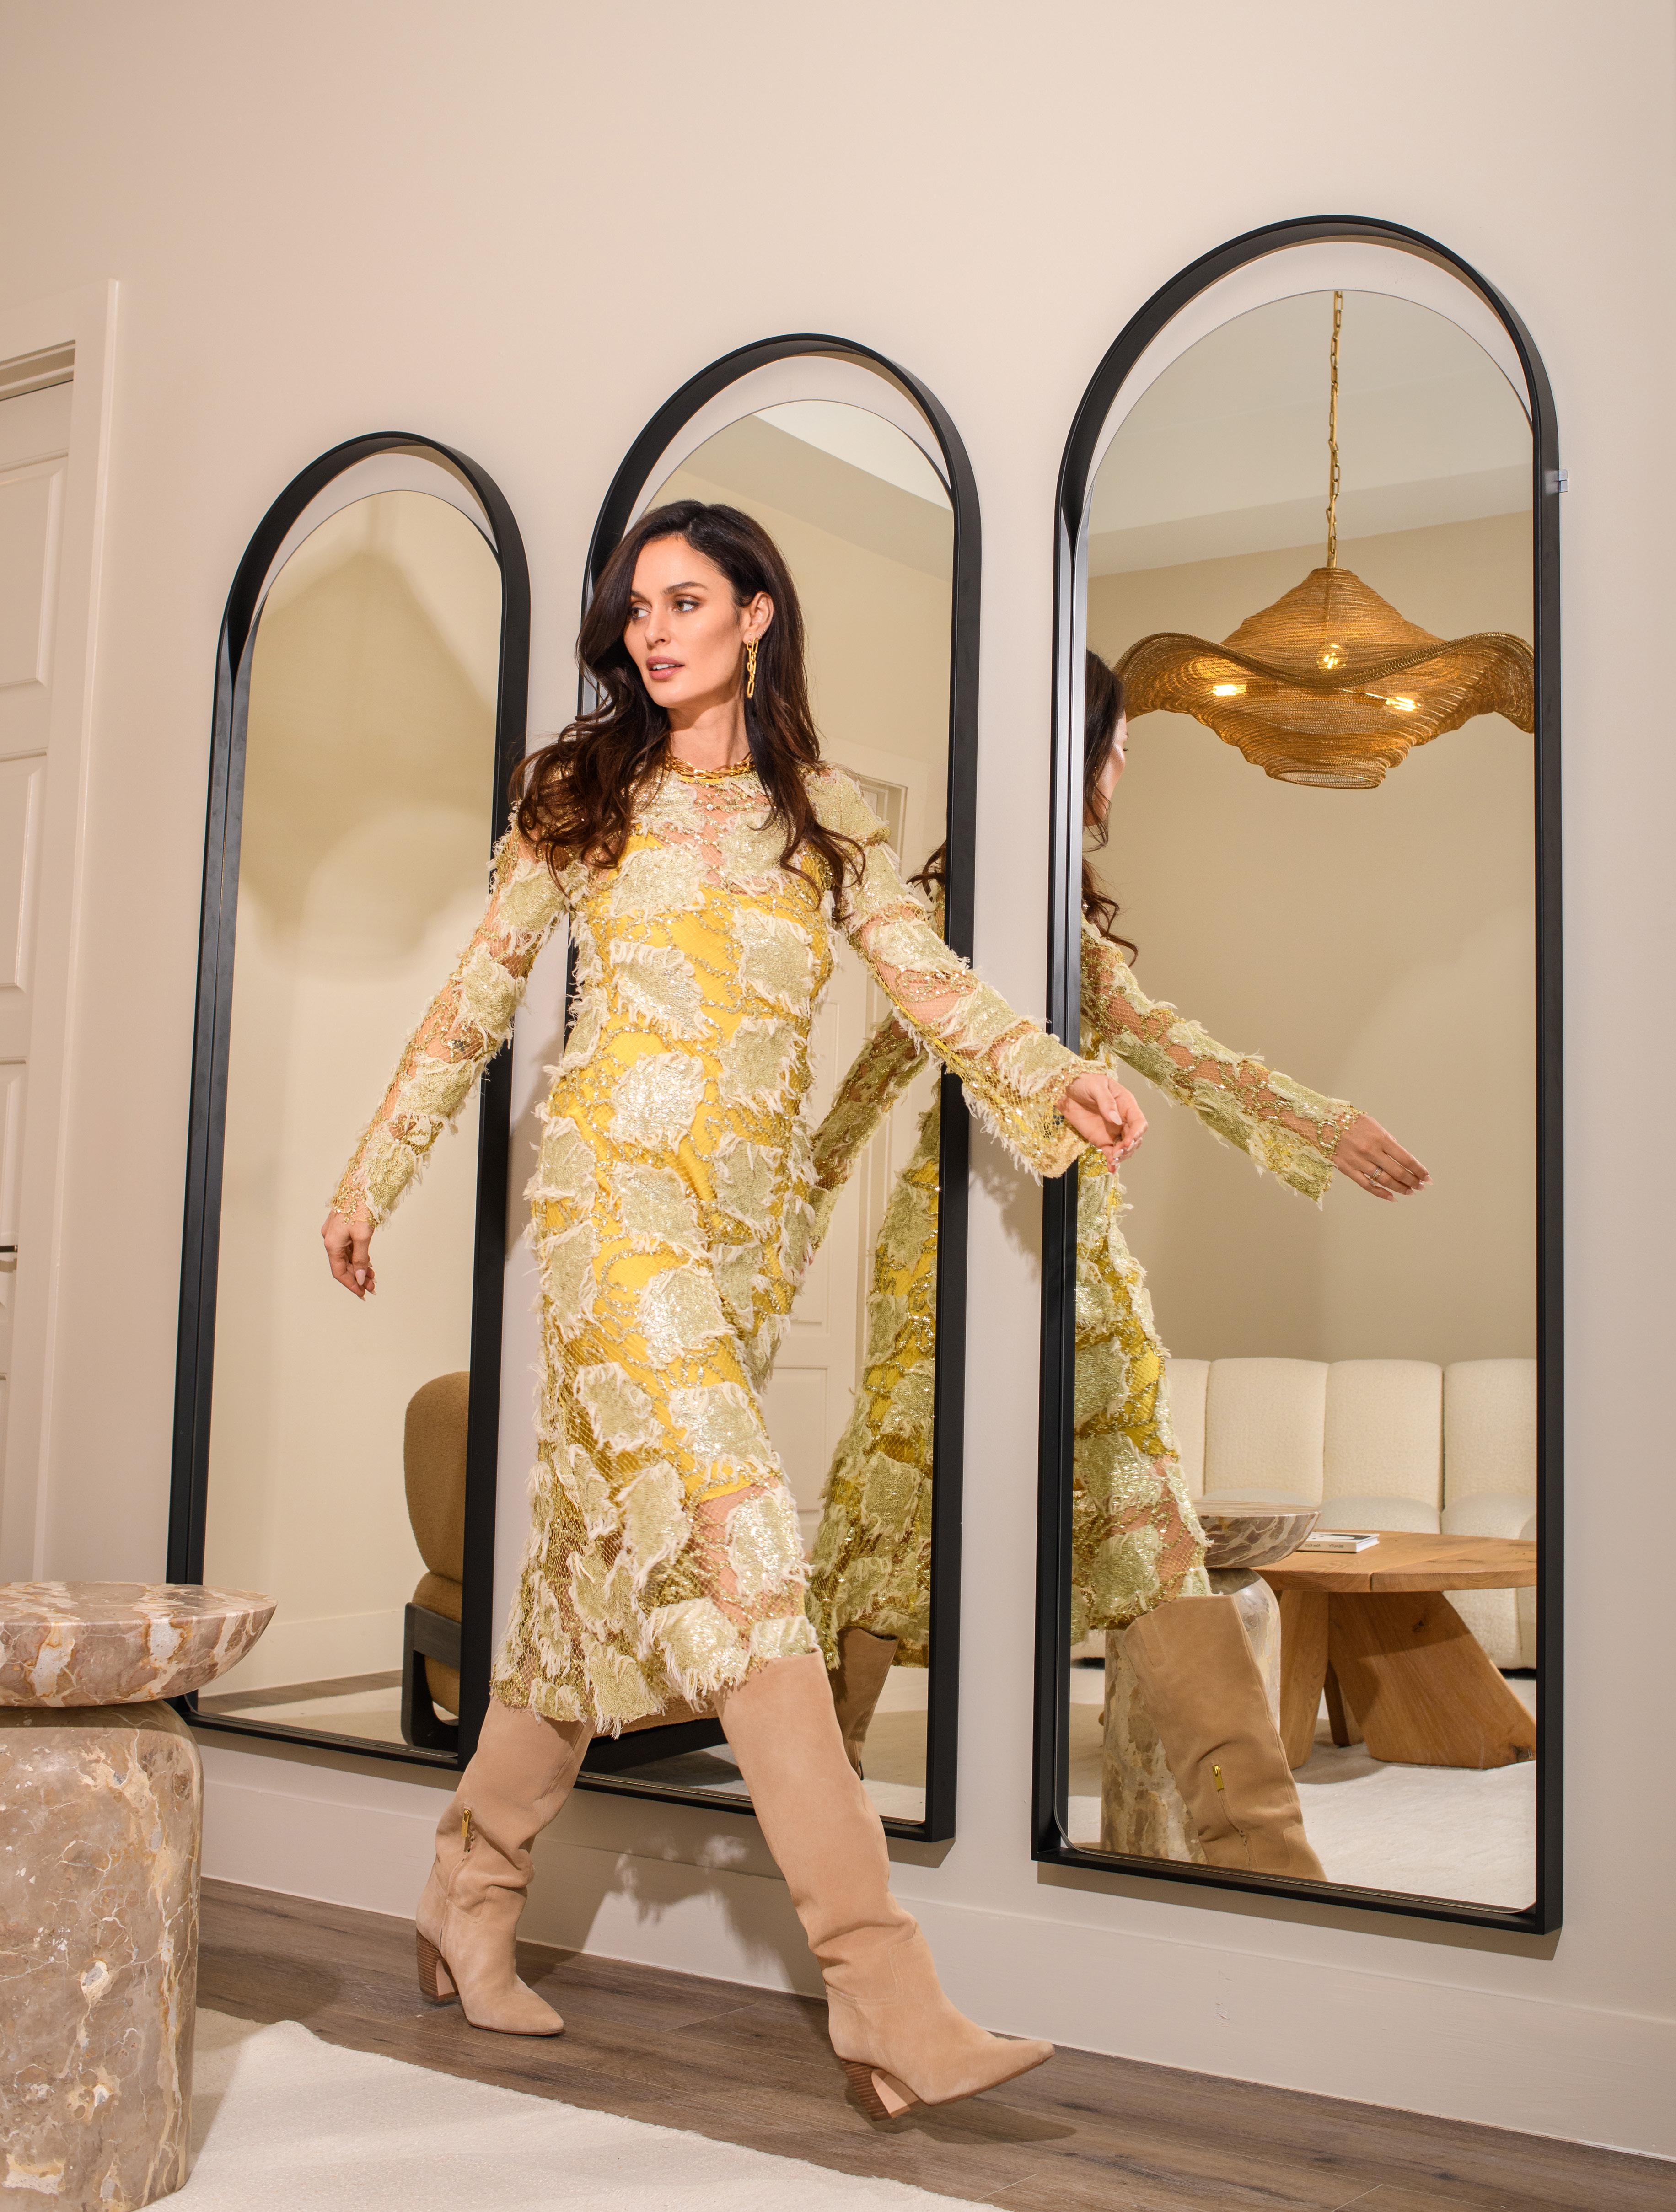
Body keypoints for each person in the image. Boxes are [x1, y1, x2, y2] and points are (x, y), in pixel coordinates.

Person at [322, 501, 1133, 2119]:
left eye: (686, 601)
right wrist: (371, 1175)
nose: (653, 631)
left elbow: (929, 983)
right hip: (608, 1205)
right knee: (753, 1560)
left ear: (758, 614)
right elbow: (478, 996)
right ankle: (884, 1993)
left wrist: (1055, 1075)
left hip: (739, 1248)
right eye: (638, 609)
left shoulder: (826, 816)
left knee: (581, 1607)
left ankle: (469, 1891)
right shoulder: (583, 791)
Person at [805, 651, 1429, 1879]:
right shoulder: (968, 911)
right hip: (949, 1255)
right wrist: (778, 1214)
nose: (1124, 769)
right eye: (1120, 744)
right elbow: (882, 1075)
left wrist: (1319, 1125)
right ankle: (811, 1835)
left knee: (1148, 1526)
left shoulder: (1059, 913)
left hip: (1068, 1261)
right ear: (1074, 748)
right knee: (885, 1525)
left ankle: (1265, 1865)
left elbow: (1159, 1042)